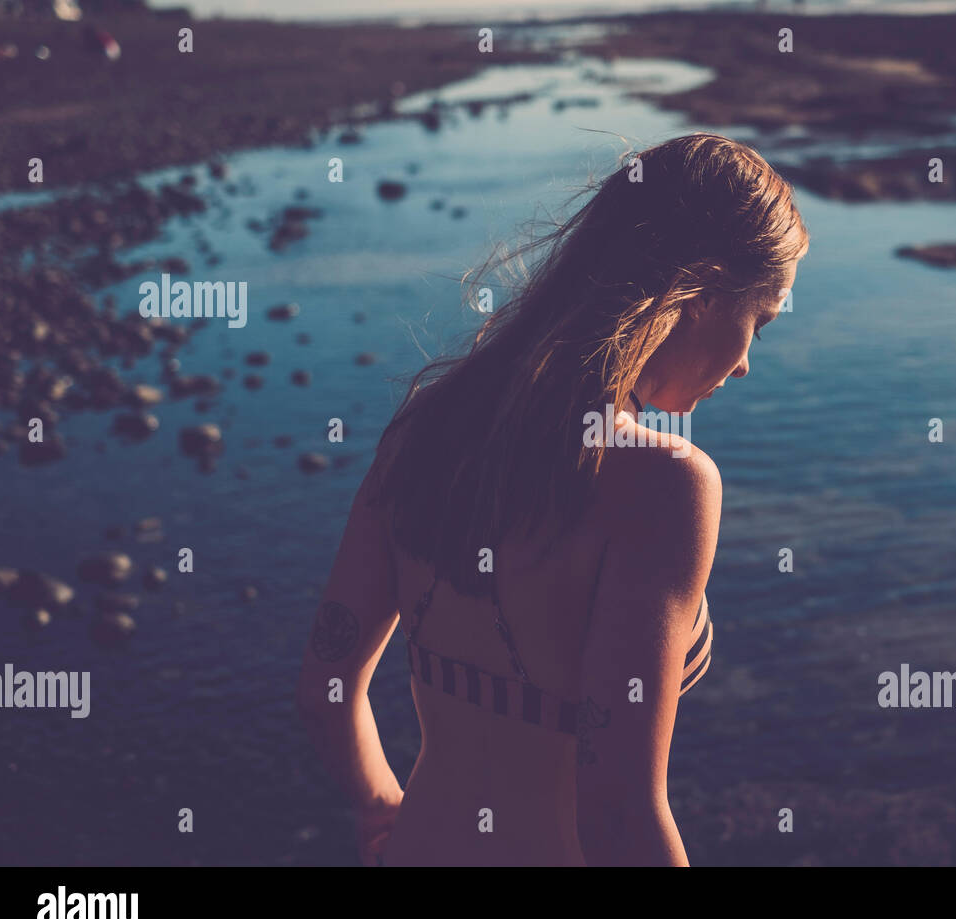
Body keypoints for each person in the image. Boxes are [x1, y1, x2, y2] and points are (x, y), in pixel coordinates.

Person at [297, 132, 809, 866]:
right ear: (701, 292)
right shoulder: (669, 485)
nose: (746, 365)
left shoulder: (427, 431)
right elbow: (621, 814)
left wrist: (382, 808)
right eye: (757, 321)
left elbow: (325, 690)